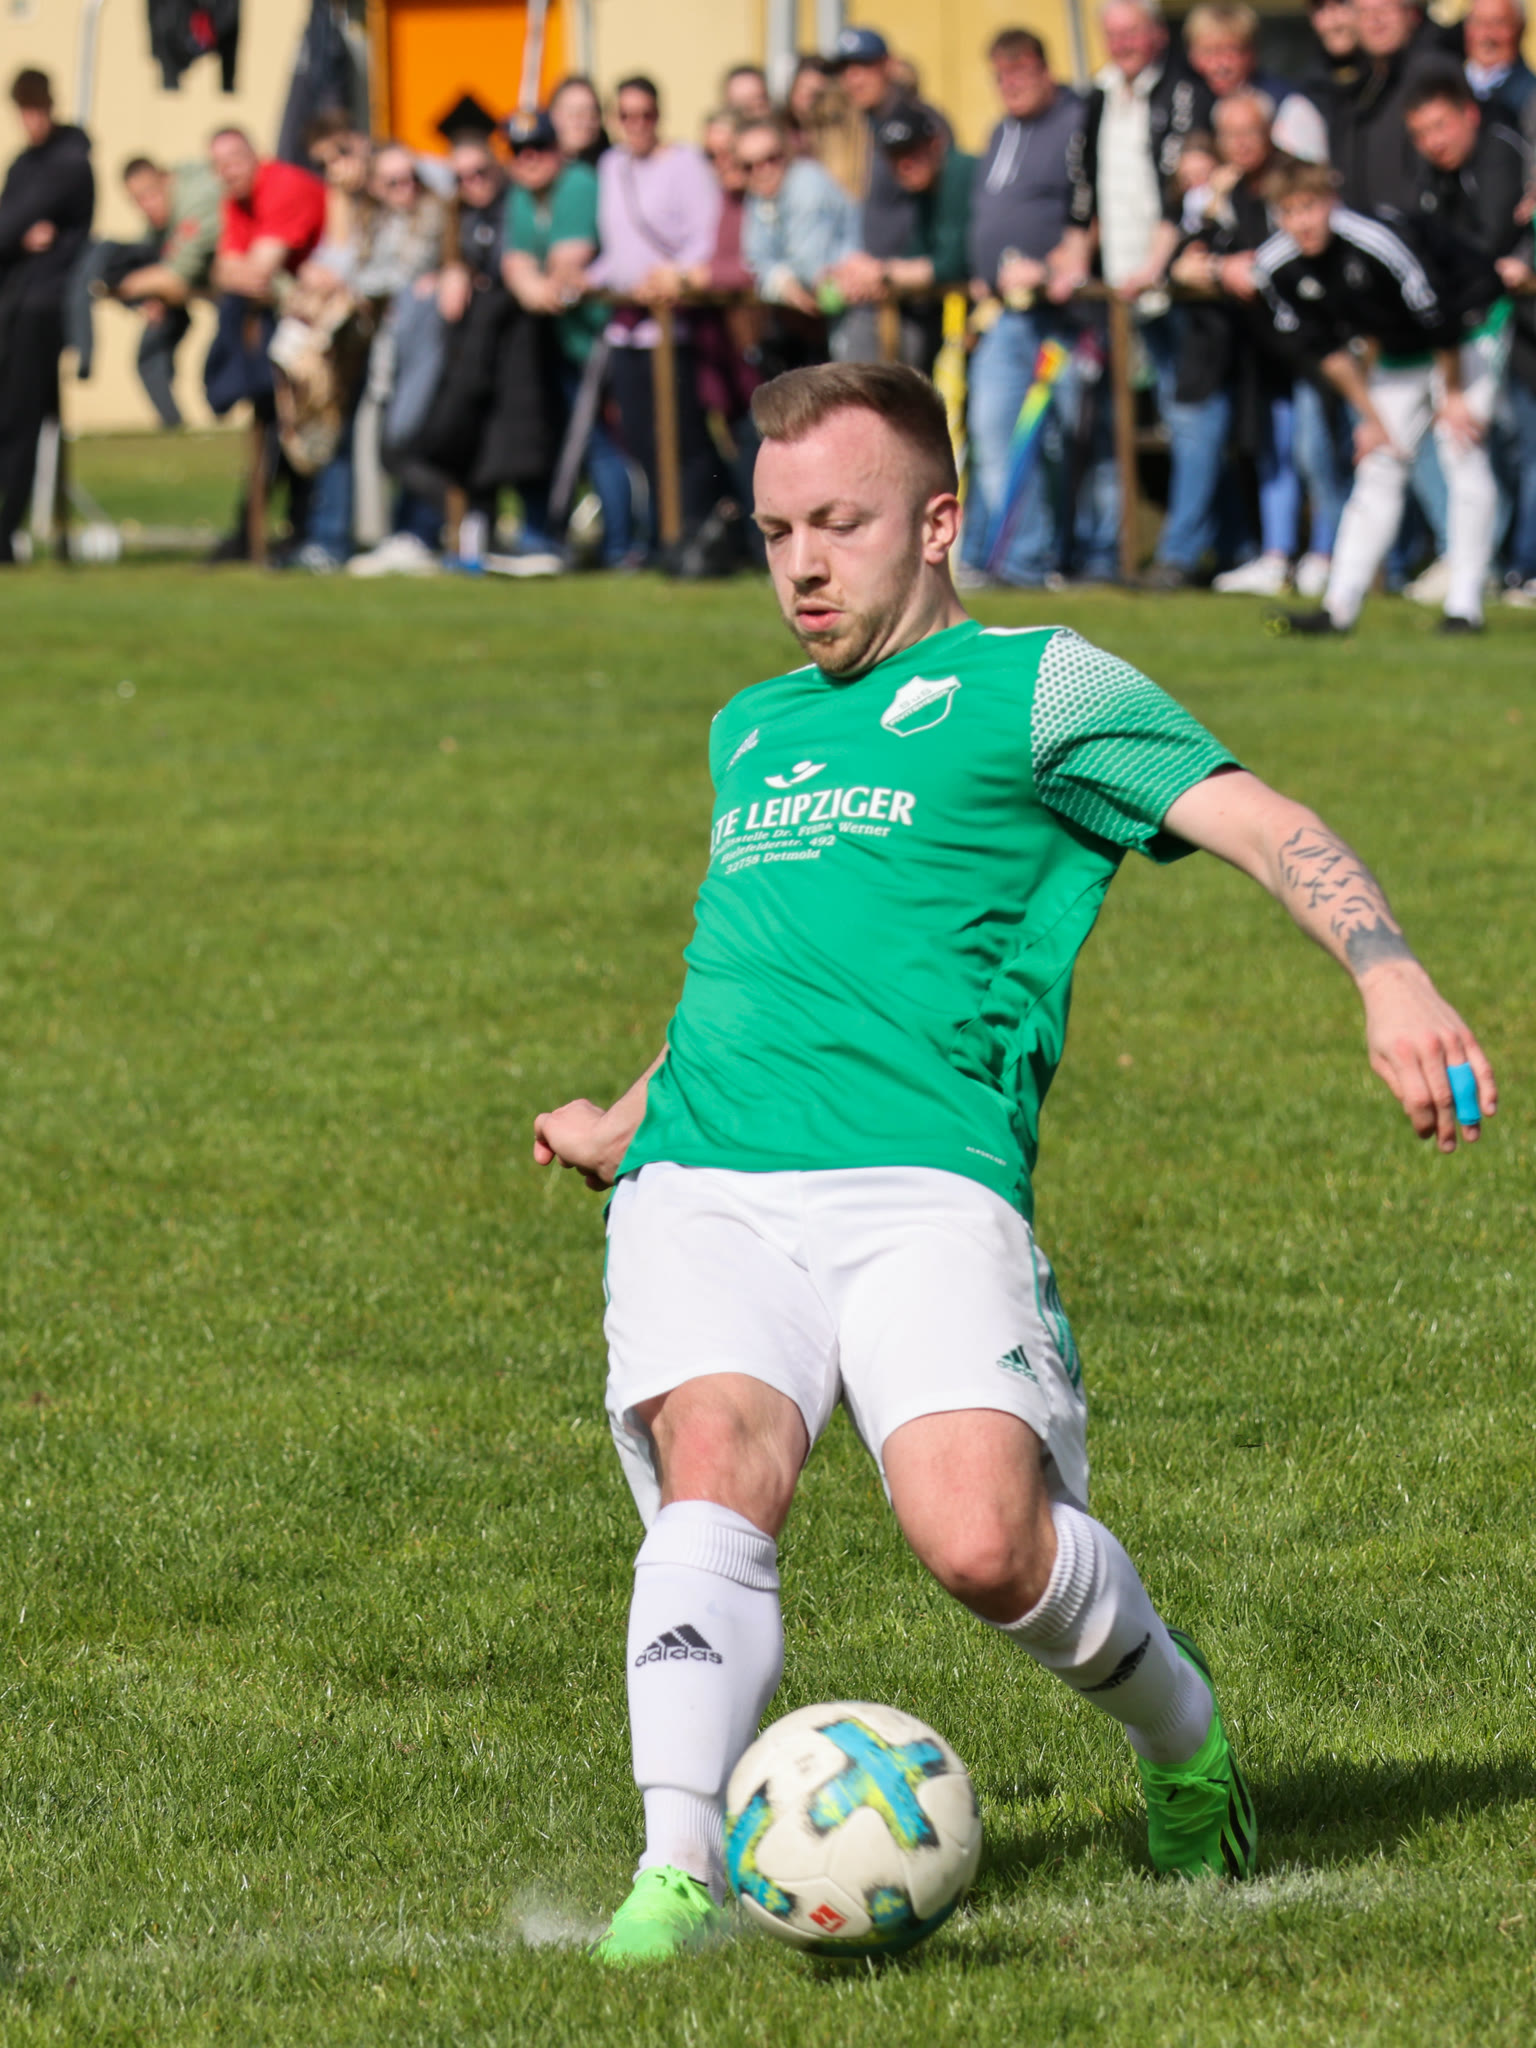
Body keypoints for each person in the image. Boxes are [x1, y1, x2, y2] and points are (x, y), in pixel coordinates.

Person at [531, 358, 1495, 1965]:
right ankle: (678, 1867)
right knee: (718, 1460)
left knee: (982, 1542)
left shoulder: (1041, 687)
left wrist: (1387, 972)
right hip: (707, 1178)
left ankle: (1184, 1740)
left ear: (938, 523)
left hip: (929, 1182)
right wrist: (626, 1119)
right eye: (775, 532)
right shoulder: (751, 727)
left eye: (839, 525)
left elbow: (1263, 821)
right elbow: (758, 971)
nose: (802, 568)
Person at [1258, 158, 1506, 633]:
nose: (1301, 223)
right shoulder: (1276, 267)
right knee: (1377, 464)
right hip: (1398, 346)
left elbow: (1438, 313)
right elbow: (1327, 351)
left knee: (1461, 450)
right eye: (1288, 212)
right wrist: (1370, 418)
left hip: (1468, 325)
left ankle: (1465, 606)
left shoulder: (1374, 240)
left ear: (1331, 202)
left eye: (1309, 207)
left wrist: (1453, 396)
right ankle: (1338, 608)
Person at [961, 28, 1102, 590]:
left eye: (1020, 71)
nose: (1011, 84)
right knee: (993, 428)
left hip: (1063, 315)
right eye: (1001, 75)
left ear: (1045, 70)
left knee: (1066, 442)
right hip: (1004, 313)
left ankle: (1065, 558)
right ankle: (1019, 559)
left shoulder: (1076, 122)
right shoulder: (1001, 130)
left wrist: (1055, 266)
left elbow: (1091, 206)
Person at [584, 76, 728, 553]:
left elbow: (705, 240)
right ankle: (664, 534)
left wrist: (672, 277)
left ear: (659, 116)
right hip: (626, 326)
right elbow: (618, 251)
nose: (637, 124)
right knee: (639, 438)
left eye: (645, 114)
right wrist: (589, 277)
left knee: (682, 437)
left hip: (673, 324)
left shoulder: (685, 165)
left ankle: (692, 532)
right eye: (627, 116)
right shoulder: (612, 166)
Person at [501, 108, 632, 568]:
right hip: (559, 342)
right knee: (576, 440)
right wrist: (533, 286)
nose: (528, 158)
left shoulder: (577, 183)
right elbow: (516, 265)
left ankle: (622, 547)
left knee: (600, 443)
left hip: (600, 333)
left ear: (556, 148)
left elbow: (566, 263)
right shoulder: (521, 195)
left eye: (538, 147)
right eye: (518, 150)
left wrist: (535, 286)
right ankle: (578, 540)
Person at [203, 124, 327, 561]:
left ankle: (308, 533)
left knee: (304, 430)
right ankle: (266, 533)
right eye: (219, 165)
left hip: (322, 323)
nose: (228, 171)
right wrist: (238, 273)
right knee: (275, 426)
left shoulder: (282, 186)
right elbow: (223, 271)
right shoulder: (236, 200)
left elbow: (256, 272)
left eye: (234, 160)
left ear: (256, 155)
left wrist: (238, 273)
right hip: (287, 321)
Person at [0, 68, 94, 565]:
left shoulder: (70, 163)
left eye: (37, 110)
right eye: (24, 111)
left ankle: (5, 533)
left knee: (22, 421)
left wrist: (14, 234)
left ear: (51, 107)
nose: (31, 120)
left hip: (43, 308)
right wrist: (17, 236)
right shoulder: (23, 165)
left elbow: (8, 224)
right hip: (12, 304)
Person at [829, 106, 976, 373]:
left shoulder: (959, 173)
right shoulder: (925, 188)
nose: (904, 164)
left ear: (935, 144)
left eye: (912, 152)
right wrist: (867, 271)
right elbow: (916, 253)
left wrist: (882, 273)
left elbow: (952, 265)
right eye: (894, 155)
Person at [827, 25, 954, 271]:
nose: (853, 78)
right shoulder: (857, 128)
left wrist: (916, 267)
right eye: (844, 69)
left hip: (914, 276)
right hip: (871, 274)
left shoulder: (921, 121)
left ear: (889, 65)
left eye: (864, 65)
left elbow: (945, 204)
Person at [739, 111, 859, 316]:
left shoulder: (806, 183)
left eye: (771, 158)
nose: (762, 170)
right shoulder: (759, 196)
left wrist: (779, 279)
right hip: (822, 306)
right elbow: (755, 258)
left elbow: (809, 265)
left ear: (786, 152)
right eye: (749, 166)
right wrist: (782, 282)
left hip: (860, 302)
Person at [1462, 0, 1536, 127]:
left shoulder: (1530, 97)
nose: (1486, 35)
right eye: (1478, 22)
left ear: (1520, 28)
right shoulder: (1446, 86)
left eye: (1498, 23)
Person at [549, 75, 610, 168]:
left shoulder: (613, 166)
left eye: (592, 113)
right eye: (574, 113)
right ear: (555, 115)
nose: (584, 122)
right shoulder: (537, 164)